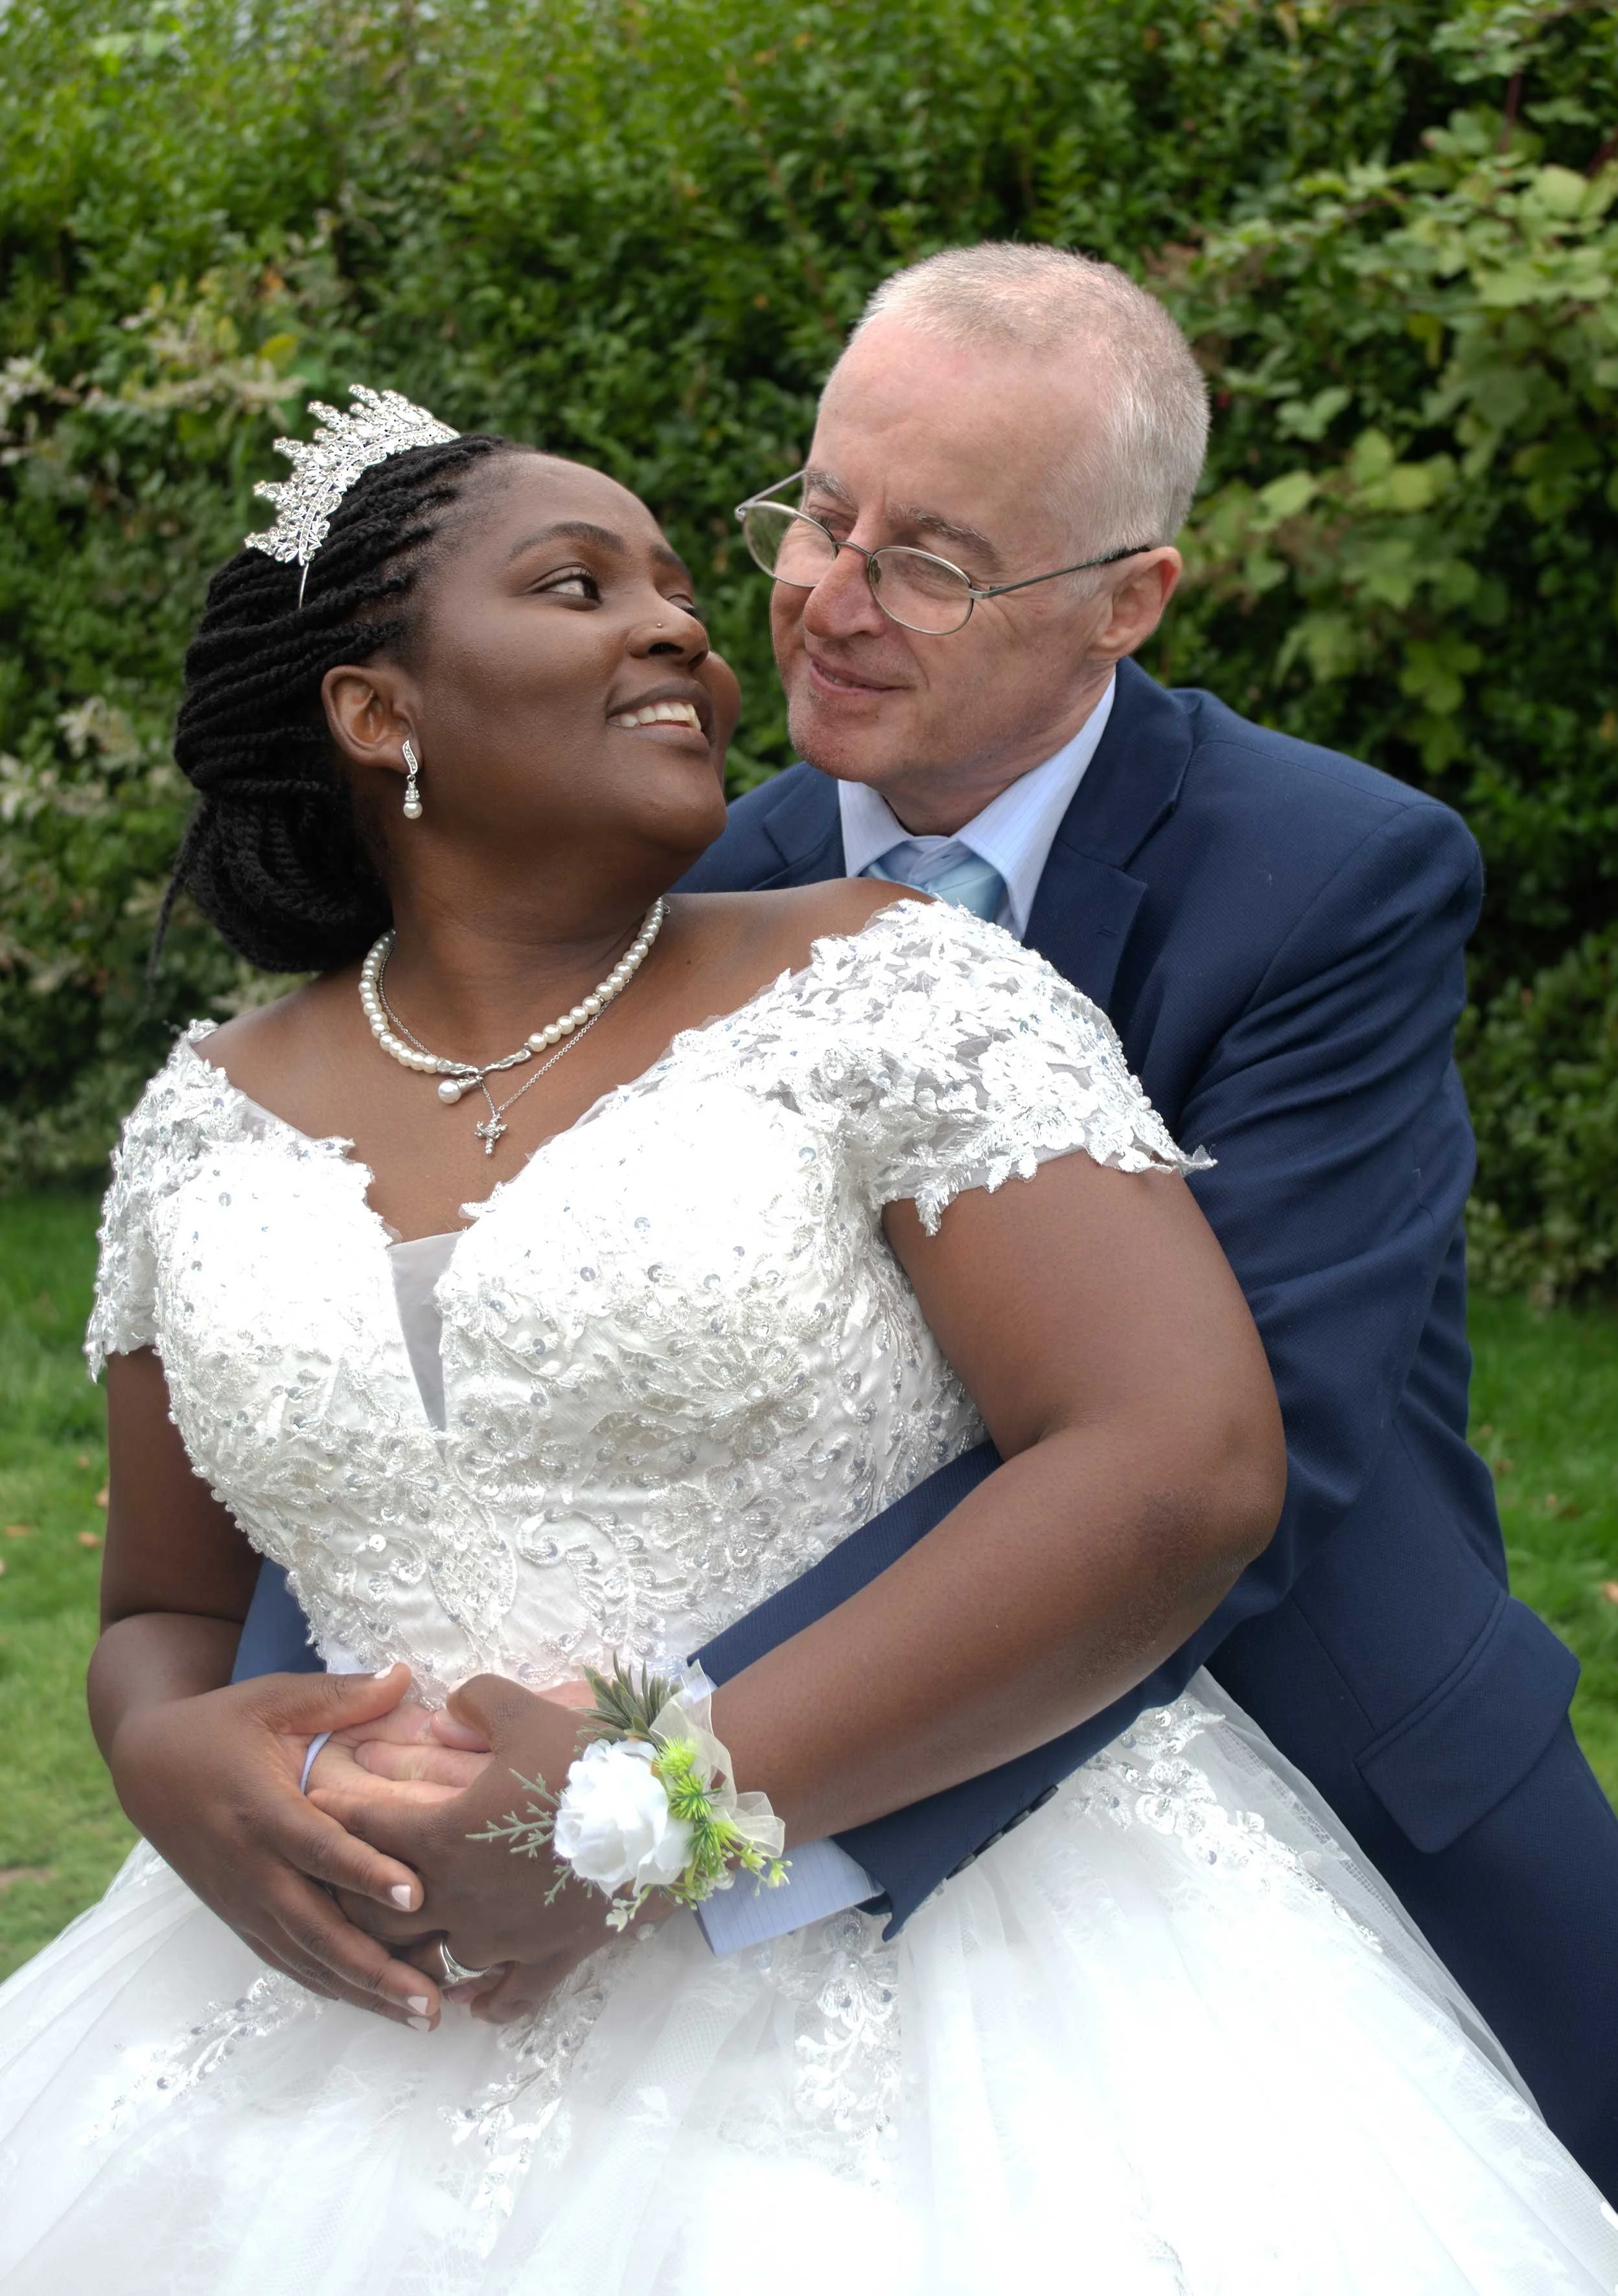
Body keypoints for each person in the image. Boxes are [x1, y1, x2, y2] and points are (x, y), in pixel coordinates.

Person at [0, 389, 1612, 2292]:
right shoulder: (204, 1117)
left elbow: (1185, 1458)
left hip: (953, 2004)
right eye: (580, 582)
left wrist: (635, 1817)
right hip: (339, 2004)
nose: (688, 623)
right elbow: (163, 1613)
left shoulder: (888, 980)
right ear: (378, 712)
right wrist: (174, 1756)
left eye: (675, 582)